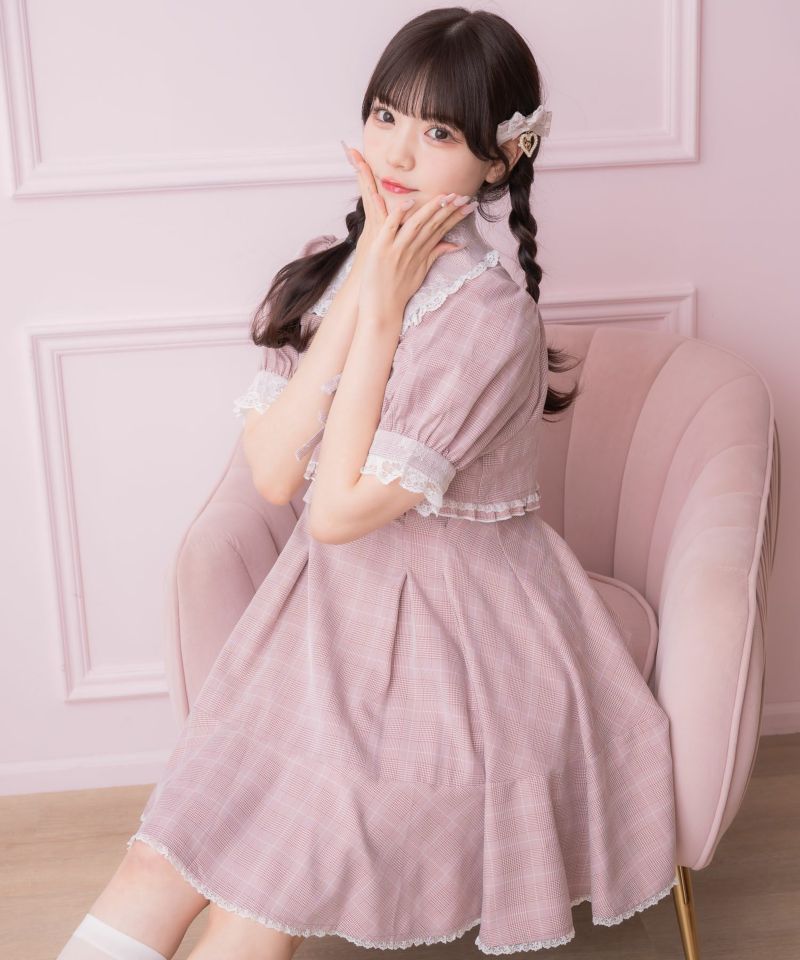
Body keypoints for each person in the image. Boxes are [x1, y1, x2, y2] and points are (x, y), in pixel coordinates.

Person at [57, 7, 677, 959]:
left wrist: (380, 316)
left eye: (440, 132)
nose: (398, 151)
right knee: (158, 859)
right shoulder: (331, 269)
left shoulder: (490, 320)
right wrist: (359, 297)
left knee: (253, 900)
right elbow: (275, 473)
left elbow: (338, 512)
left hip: (464, 639)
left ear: (501, 159)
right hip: (320, 621)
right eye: (386, 115)